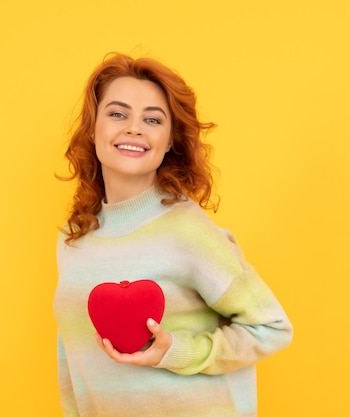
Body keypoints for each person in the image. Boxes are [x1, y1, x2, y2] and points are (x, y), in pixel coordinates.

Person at [53, 52, 293, 417]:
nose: (134, 128)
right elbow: (73, 357)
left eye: (152, 119)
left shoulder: (187, 231)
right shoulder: (74, 238)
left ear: (168, 142)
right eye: (117, 114)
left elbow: (271, 327)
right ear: (92, 128)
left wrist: (176, 350)